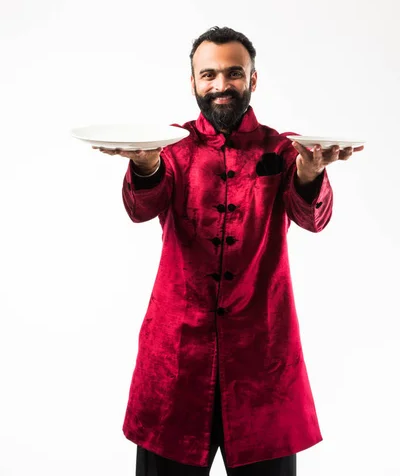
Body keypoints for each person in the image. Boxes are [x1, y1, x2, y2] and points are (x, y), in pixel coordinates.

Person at [93, 26, 364, 475]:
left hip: (263, 364)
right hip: (176, 361)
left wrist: (311, 173)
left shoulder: (285, 148)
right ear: (194, 82)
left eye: (234, 73)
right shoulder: (169, 148)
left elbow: (313, 218)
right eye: (209, 75)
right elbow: (141, 209)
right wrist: (145, 165)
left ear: (253, 80)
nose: (221, 85)